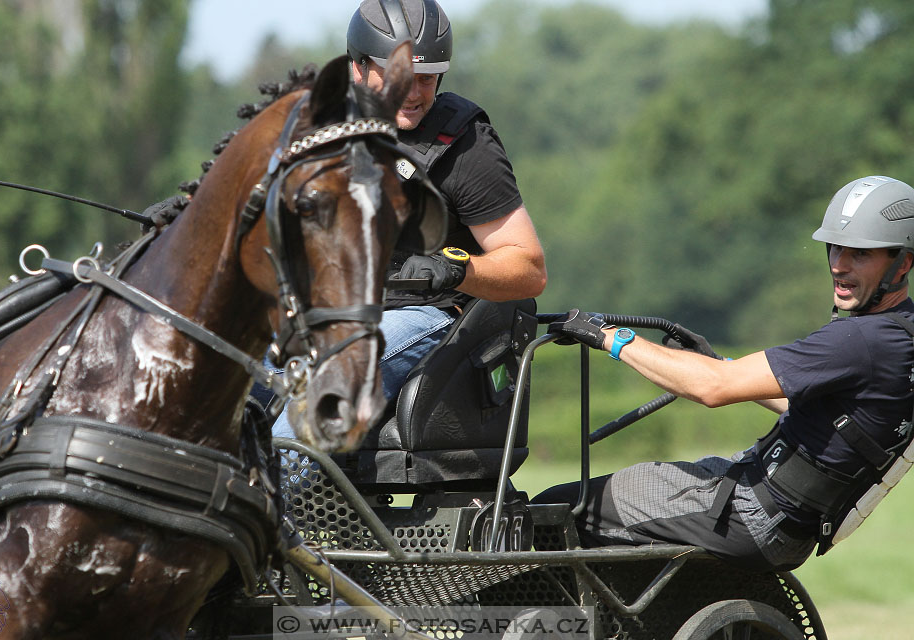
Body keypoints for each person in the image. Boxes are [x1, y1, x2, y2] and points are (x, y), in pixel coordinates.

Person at [536, 175, 914, 572]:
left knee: (554, 510)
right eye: (836, 247)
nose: (839, 264)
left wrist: (607, 337)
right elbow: (829, 416)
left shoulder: (860, 340)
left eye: (860, 254)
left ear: (903, 262)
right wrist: (721, 362)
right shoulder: (901, 331)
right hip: (786, 523)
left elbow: (711, 389)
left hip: (750, 514)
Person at [270, 0, 546, 438]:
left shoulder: (465, 146)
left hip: (421, 315)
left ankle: (276, 494)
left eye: (426, 78)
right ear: (358, 69)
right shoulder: (320, 128)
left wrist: (453, 268)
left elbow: (528, 269)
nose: (414, 93)